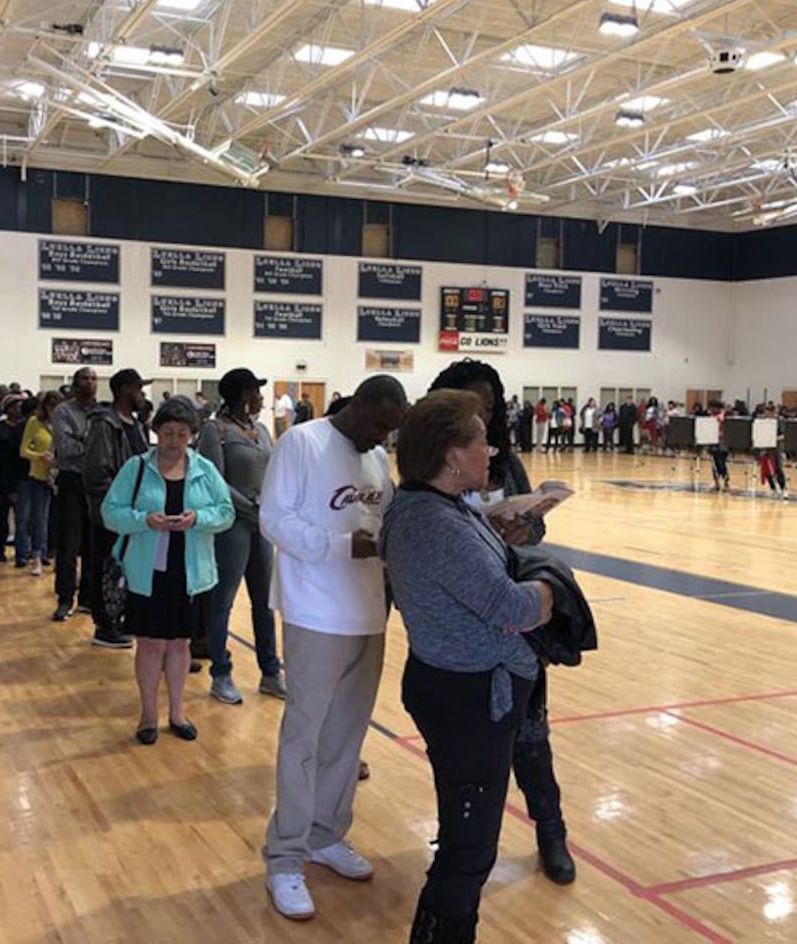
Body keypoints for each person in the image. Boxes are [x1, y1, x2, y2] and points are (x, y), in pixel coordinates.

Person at [381, 390, 554, 942]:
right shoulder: (435, 522)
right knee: (470, 845)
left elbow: (468, 575)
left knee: (469, 835)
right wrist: (552, 588)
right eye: (482, 440)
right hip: (468, 699)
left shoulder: (440, 507)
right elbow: (509, 607)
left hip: (465, 689)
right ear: (452, 455)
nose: (492, 448)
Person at [260, 375, 407, 921]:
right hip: (314, 612)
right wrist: (344, 545)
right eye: (379, 424)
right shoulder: (303, 442)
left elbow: (386, 526)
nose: (382, 437)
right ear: (360, 405)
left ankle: (326, 834)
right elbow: (275, 519)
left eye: (391, 430)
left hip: (368, 613)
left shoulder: (374, 461)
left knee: (346, 738)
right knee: (304, 737)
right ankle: (285, 857)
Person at [427, 358, 575, 888]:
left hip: (513, 616)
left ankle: (551, 830)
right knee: (462, 744)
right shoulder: (428, 474)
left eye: (489, 408)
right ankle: (459, 835)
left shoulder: (505, 463)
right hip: (457, 622)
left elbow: (531, 529)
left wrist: (523, 526)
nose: (483, 417)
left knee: (530, 734)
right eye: (472, 406)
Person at [102, 398, 234, 745]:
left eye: (182, 433)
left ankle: (177, 712)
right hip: (147, 573)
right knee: (149, 645)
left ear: (192, 435)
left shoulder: (204, 470)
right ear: (156, 432)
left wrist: (197, 519)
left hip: (191, 573)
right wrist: (144, 520)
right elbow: (110, 512)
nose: (174, 440)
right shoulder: (136, 468)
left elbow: (226, 512)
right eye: (167, 432)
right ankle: (148, 715)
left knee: (180, 644)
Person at [196, 368, 284, 706]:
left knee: (265, 602)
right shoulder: (214, 430)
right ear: (242, 395)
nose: (261, 397)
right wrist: (251, 507)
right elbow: (213, 480)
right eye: (256, 391)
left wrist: (271, 506)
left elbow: (274, 472)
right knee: (223, 603)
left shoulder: (261, 430)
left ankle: (271, 672)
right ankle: (221, 673)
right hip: (232, 526)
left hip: (261, 525)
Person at [85, 369, 152, 648]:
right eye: (139, 389)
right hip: (112, 511)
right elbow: (97, 471)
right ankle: (104, 625)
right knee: (105, 566)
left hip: (132, 512)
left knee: (124, 567)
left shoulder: (135, 424)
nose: (142, 395)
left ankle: (120, 618)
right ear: (125, 390)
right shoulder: (105, 424)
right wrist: (118, 503)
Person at [50, 367, 99, 620]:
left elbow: (105, 449)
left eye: (93, 379)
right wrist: (92, 444)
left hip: (96, 484)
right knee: (68, 545)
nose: (89, 383)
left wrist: (84, 440)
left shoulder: (103, 413)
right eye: (84, 379)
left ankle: (88, 598)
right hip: (71, 481)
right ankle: (65, 598)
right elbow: (66, 447)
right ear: (75, 383)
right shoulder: (63, 411)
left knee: (94, 544)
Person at [16, 392, 57, 575]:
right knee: (39, 518)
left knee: (57, 519)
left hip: (59, 476)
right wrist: (39, 456)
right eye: (50, 406)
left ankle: (53, 554)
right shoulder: (34, 422)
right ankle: (37, 557)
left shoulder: (63, 423)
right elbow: (23, 450)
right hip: (39, 475)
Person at [0, 393, 28, 563]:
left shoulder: (24, 428)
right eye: (16, 406)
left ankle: (22, 550)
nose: (19, 410)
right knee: (0, 518)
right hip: (2, 478)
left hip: (20, 478)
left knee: (22, 518)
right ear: (9, 409)